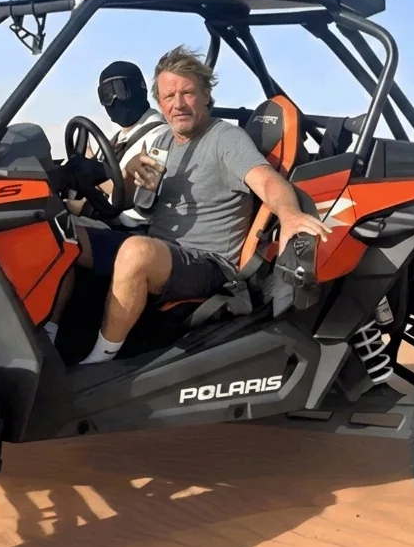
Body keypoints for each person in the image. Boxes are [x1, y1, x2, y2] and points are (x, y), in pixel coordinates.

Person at [56, 44, 333, 364]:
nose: (178, 104)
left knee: (136, 252)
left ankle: (98, 362)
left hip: (209, 263)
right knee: (60, 232)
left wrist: (290, 215)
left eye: (187, 93)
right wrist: (130, 176)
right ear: (159, 101)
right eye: (169, 97)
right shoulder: (161, 142)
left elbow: (267, 180)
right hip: (163, 249)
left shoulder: (225, 139)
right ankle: (49, 338)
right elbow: (130, 200)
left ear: (205, 95)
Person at [64, 60, 168, 229]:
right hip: (109, 218)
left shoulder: (161, 137)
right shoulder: (118, 138)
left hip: (132, 228)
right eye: (106, 94)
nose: (113, 100)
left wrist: (85, 205)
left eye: (120, 89)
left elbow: (133, 193)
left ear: (138, 88)